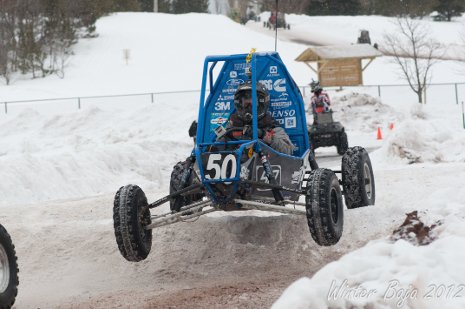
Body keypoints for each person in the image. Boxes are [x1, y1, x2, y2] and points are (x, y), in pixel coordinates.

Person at [225, 80, 295, 155]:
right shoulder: (232, 126)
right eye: (246, 102)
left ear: (261, 103)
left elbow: (288, 150)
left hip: (263, 165)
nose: (249, 107)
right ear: (240, 103)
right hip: (236, 164)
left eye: (252, 102)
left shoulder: (271, 126)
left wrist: (264, 135)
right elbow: (216, 148)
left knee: (260, 144)